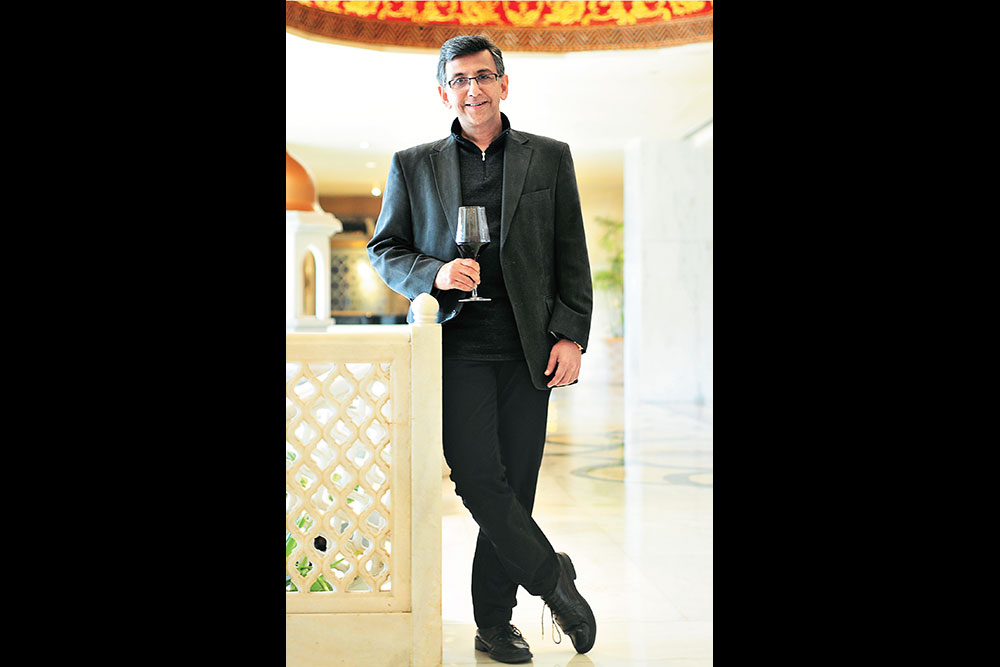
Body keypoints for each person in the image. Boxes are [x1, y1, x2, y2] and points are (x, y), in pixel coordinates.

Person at [367, 34, 595, 664]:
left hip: (529, 349)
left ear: (504, 83)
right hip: (456, 347)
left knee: (515, 488)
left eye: (484, 76)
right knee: (476, 479)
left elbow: (570, 252)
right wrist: (435, 272)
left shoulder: (550, 158)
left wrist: (572, 333)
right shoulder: (413, 164)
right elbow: (385, 248)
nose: (473, 89)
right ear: (445, 92)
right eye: (460, 80)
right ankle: (552, 578)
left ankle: (493, 625)